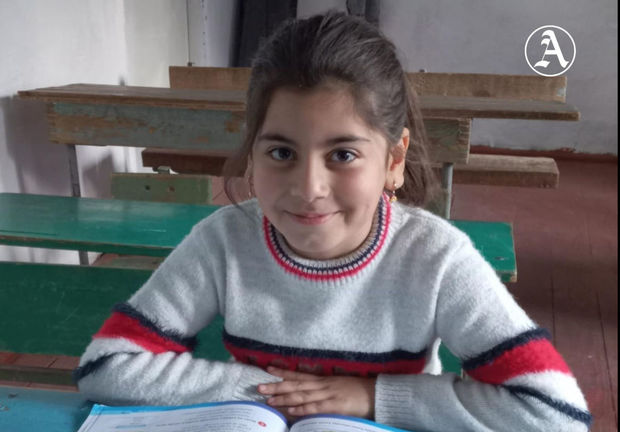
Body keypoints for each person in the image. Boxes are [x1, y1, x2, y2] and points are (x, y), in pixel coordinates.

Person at [75, 10, 591, 432]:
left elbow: (554, 411)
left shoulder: (435, 259)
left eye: (343, 155)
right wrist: (270, 393)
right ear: (252, 153)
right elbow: (106, 365)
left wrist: (372, 397)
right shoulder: (224, 241)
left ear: (393, 160)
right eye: (281, 152)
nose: (308, 188)